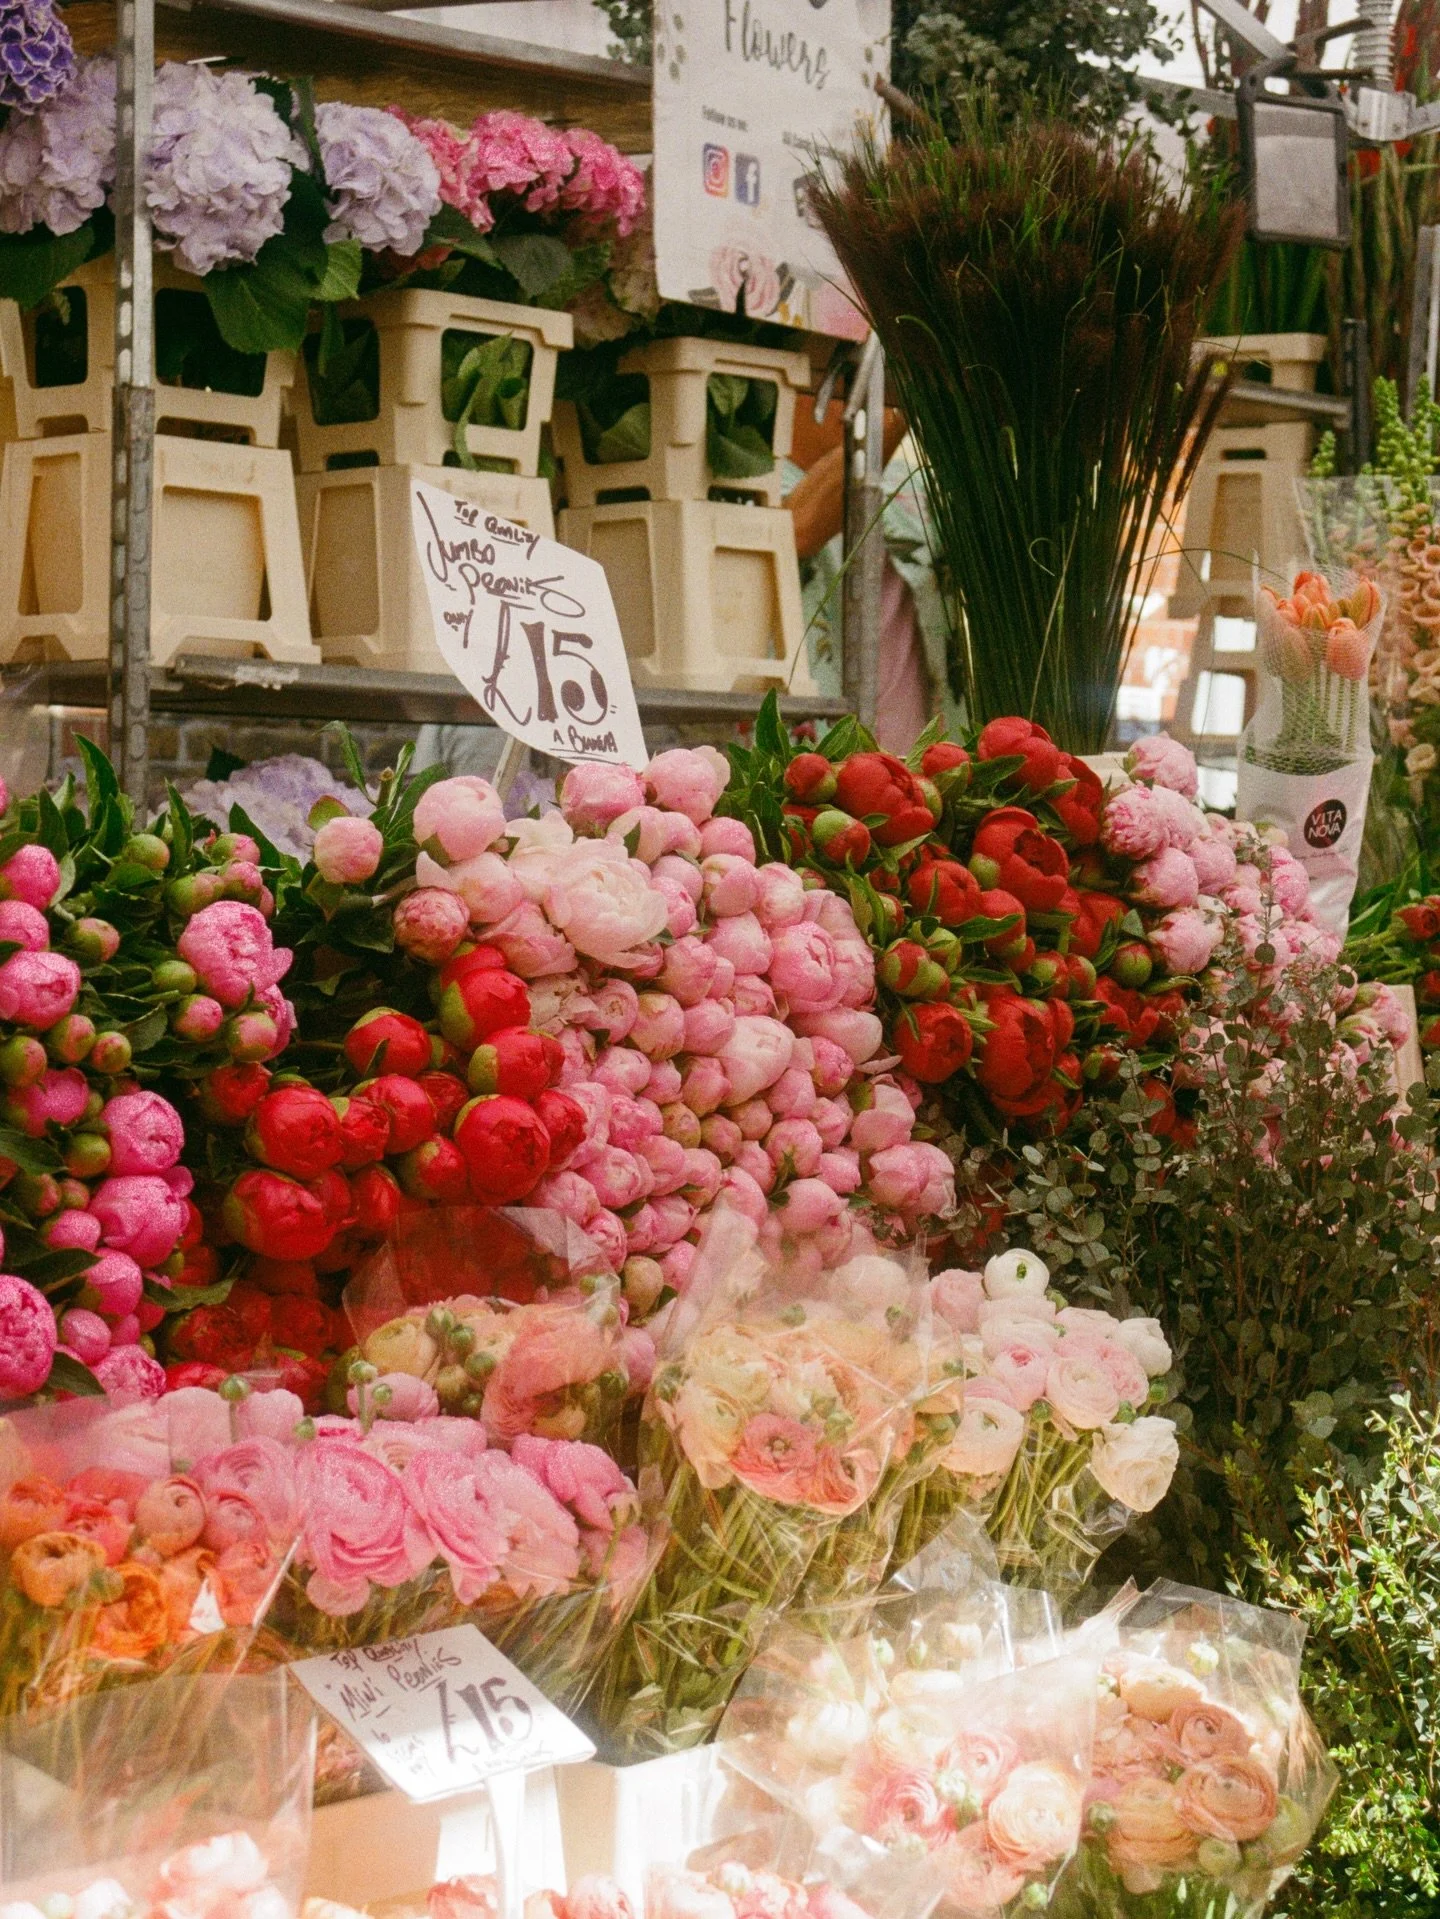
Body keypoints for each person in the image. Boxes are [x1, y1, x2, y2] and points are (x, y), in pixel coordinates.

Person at [784, 398, 957, 751]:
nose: (866, 395)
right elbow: (797, 530)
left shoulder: (914, 485)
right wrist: (898, 411)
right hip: (813, 770)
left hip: (923, 770)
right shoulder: (750, 479)